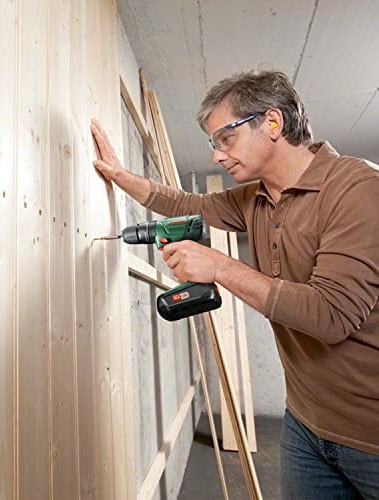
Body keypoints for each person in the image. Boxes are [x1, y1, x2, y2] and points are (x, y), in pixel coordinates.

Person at [90, 70, 379, 499]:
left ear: (273, 123)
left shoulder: (357, 187)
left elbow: (332, 315)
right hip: (303, 422)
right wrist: (120, 175)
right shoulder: (254, 198)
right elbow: (189, 205)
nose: (218, 156)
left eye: (225, 138)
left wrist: (220, 267)